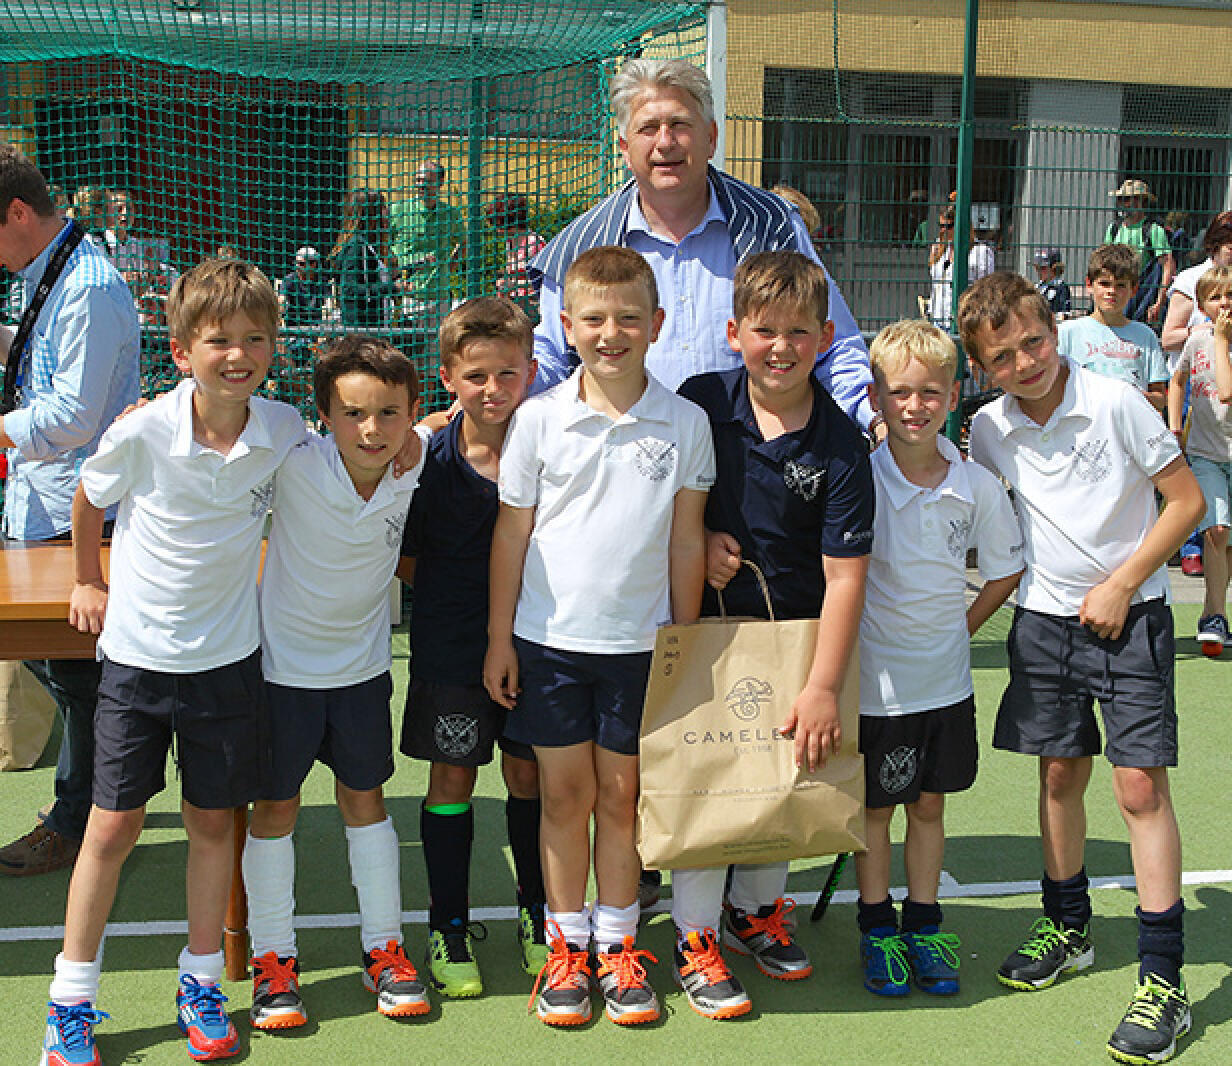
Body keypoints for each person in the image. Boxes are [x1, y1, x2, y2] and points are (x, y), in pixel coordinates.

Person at [41, 258, 307, 1064]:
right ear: (183, 349)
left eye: (255, 339)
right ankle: (69, 1001)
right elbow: (89, 497)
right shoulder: (144, 429)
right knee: (112, 825)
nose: (239, 355)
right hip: (137, 663)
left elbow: (349, 449)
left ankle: (201, 984)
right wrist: (88, 579)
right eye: (219, 340)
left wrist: (416, 439)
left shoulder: (283, 428)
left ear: (274, 347)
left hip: (228, 665)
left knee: (211, 822)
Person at [961, 271, 1203, 1066]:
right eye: (1003, 357)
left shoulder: (1117, 402)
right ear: (982, 367)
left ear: (1053, 331)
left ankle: (1163, 978)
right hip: (1042, 623)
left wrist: (1123, 583)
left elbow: (1187, 502)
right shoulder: (989, 429)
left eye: (1034, 342)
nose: (1025, 363)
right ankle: (1068, 928)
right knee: (1059, 774)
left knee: (1139, 789)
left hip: (1132, 619)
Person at [483, 246, 713, 1027]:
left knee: (622, 797)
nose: (610, 334)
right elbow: (511, 536)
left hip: (641, 650)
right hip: (548, 646)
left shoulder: (686, 423)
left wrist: (682, 641)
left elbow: (687, 538)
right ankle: (566, 949)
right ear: (567, 326)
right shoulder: (538, 419)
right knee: (564, 796)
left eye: (627, 319)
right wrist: (500, 638)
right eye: (593, 320)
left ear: (657, 323)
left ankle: (617, 947)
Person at [673, 250, 873, 1019]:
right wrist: (702, 538)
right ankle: (694, 934)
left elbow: (846, 577)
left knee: (787, 774)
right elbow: (659, 502)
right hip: (703, 634)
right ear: (734, 333)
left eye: (798, 332)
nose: (781, 347)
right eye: (765, 331)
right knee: (708, 780)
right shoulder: (699, 403)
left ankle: (753, 913)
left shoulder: (840, 445)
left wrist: (823, 684)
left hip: (795, 639)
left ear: (825, 338)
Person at [529, 59, 878, 436]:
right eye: (648, 128)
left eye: (680, 125)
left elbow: (835, 346)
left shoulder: (773, 226)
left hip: (753, 457)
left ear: (711, 137)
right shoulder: (581, 244)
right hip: (622, 456)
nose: (665, 142)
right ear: (625, 148)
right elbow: (550, 361)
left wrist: (873, 419)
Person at [243, 335, 429, 1033]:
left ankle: (385, 950)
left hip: (361, 674)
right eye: (353, 414)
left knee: (365, 802)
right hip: (281, 673)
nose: (372, 430)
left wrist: (424, 433)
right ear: (324, 415)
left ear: (411, 412)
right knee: (276, 809)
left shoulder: (415, 459)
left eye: (389, 413)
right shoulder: (293, 462)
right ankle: (273, 960)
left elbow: (449, 422)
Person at [854, 318, 1023, 999]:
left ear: (954, 397)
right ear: (876, 398)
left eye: (930, 392)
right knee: (874, 812)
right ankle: (877, 930)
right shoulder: (860, 479)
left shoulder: (976, 484)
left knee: (928, 806)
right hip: (875, 689)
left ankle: (924, 924)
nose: (915, 406)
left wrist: (963, 626)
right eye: (899, 392)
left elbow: (1005, 570)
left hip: (945, 684)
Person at [397, 297, 546, 999]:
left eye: (507, 373)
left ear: (532, 372)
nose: (493, 389)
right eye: (476, 375)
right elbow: (404, 557)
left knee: (529, 776)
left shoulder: (552, 445)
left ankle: (539, 915)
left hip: (538, 643)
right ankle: (448, 926)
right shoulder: (426, 457)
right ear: (448, 378)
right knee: (452, 779)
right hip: (451, 646)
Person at [0, 144, 140, 879]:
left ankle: (78, 817)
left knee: (81, 677)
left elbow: (74, 415)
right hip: (47, 501)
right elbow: (43, 369)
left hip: (77, 510)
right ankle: (103, 796)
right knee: (63, 670)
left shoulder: (85, 285)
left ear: (18, 212)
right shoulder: (51, 272)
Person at [1167, 266, 1232, 657]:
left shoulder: (1217, 341)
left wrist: (1222, 341)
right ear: (1203, 305)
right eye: (1215, 297)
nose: (1224, 304)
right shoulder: (1197, 339)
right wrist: (1174, 427)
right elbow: (1178, 380)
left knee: (1229, 542)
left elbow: (1226, 391)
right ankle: (1215, 615)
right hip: (1207, 453)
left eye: (1230, 295)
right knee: (1217, 532)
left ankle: (1214, 610)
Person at [1058, 244, 1168, 413]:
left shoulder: (1145, 336)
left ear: (1134, 289)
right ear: (1089, 284)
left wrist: (1131, 396)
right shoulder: (1067, 333)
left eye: (1121, 285)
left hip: (1129, 423)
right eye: (1104, 283)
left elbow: (1160, 399)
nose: (1112, 291)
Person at [389, 161, 464, 347]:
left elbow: (465, 243)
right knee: (406, 353)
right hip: (407, 299)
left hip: (438, 299)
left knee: (436, 354)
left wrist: (448, 268)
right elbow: (383, 245)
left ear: (440, 183)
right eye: (418, 180)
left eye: (427, 181)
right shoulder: (398, 211)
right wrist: (394, 277)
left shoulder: (450, 214)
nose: (421, 185)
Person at [1162, 210, 1232, 355]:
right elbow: (1169, 340)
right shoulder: (1190, 279)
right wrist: (1208, 330)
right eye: (1230, 249)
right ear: (1215, 246)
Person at [1105, 178, 1174, 324]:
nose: (1122, 204)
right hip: (1116, 291)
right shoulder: (1114, 229)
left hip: (1141, 296)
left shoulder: (1154, 230)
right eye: (1120, 199)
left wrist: (1159, 302)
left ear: (1140, 201)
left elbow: (1167, 266)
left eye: (1127, 199)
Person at [330, 187, 396, 331]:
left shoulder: (371, 245)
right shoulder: (356, 246)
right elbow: (349, 289)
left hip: (376, 327)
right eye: (382, 207)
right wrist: (392, 287)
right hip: (360, 331)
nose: (387, 212)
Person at [927, 204, 995, 331]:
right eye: (941, 226)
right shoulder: (941, 248)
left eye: (948, 226)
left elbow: (987, 288)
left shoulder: (979, 252)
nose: (943, 230)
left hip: (964, 319)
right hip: (938, 318)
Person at [487, 195, 546, 318]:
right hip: (515, 301)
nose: (495, 228)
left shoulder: (533, 243)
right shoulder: (510, 241)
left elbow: (541, 279)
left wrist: (514, 285)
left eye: (497, 223)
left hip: (532, 303)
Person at [280, 245, 328, 328]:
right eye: (298, 263)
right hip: (294, 326)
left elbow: (328, 303)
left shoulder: (322, 281)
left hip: (316, 326)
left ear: (314, 264)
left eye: (302, 264)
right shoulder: (289, 280)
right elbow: (281, 301)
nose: (298, 267)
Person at [1032, 247, 1071, 316]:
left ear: (1055, 268)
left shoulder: (1060, 287)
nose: (1039, 271)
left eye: (1043, 268)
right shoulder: (1037, 287)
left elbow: (1064, 312)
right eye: (1037, 268)